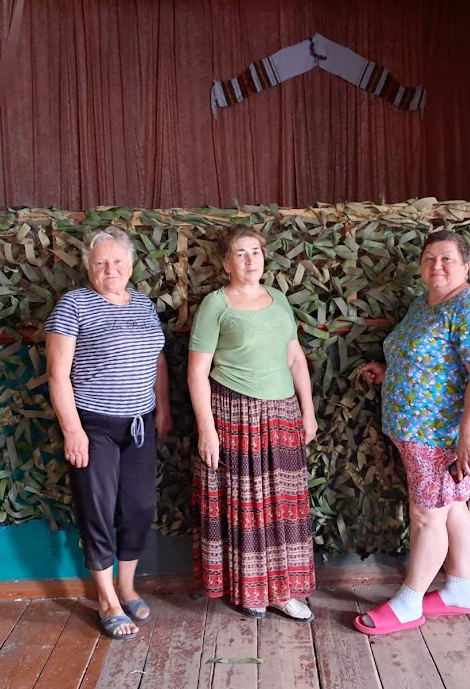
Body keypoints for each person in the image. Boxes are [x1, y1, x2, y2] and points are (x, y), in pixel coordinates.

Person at [354, 229, 470, 635]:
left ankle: (409, 603)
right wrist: (390, 373)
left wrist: (468, 436)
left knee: (427, 516)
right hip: (419, 433)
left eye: (447, 258)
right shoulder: (425, 304)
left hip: (444, 438)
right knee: (452, 507)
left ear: (466, 266)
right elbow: (428, 361)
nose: (436, 265)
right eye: (429, 258)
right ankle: (458, 591)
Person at [45, 227, 172, 641]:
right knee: (97, 509)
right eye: (101, 262)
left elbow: (157, 360)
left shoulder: (144, 304)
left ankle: (126, 587)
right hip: (94, 426)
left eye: (118, 261)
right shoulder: (73, 305)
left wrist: (163, 408)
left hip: (139, 425)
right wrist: (73, 430)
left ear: (131, 266)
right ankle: (106, 600)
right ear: (89, 267)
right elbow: (57, 374)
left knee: (139, 507)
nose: (110, 269)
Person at [187, 226, 318, 622]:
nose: (250, 260)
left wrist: (308, 411)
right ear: (226, 263)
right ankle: (251, 592)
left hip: (282, 414)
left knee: (283, 506)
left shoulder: (279, 299)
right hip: (235, 414)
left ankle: (284, 591)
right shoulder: (215, 304)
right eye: (240, 253)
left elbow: (294, 357)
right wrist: (206, 429)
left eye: (256, 252)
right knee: (246, 505)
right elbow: (197, 372)